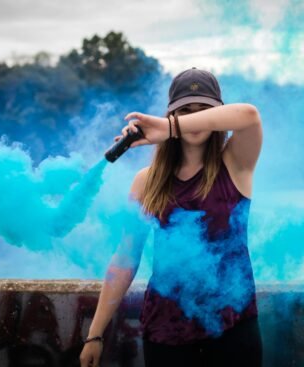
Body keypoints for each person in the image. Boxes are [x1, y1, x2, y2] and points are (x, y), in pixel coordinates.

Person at [80, 67, 263, 367]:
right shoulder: (146, 181)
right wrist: (95, 334)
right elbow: (125, 259)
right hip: (166, 335)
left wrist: (170, 126)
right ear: (171, 112)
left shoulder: (236, 163)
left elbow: (249, 115)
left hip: (233, 330)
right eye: (184, 110)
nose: (192, 119)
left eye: (202, 111)